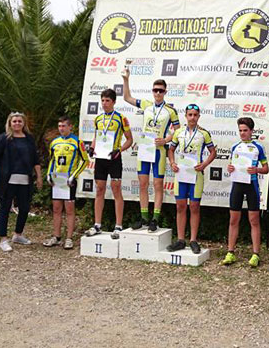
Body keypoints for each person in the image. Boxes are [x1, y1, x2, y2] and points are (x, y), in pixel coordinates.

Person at [122, 70, 180, 231]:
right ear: (152, 91)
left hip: (159, 150)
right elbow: (127, 98)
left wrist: (166, 140)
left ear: (165, 92)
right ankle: (144, 218)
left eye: (161, 90)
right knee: (142, 184)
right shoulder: (146, 104)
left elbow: (178, 131)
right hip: (144, 149)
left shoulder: (170, 111)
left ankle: (155, 219)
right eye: (155, 90)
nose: (158, 93)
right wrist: (126, 79)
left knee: (158, 184)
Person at [0, 112, 43, 252]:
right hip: (7, 180)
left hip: (25, 180)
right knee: (5, 208)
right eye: (14, 121)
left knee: (24, 208)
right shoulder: (3, 138)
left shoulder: (29, 139)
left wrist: (39, 177)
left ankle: (18, 234)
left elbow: (35, 160)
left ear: (24, 123)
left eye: (20, 121)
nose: (17, 123)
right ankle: (3, 239)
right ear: (10, 123)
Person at [166, 104, 216, 254]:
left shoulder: (204, 134)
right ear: (186, 116)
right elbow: (171, 150)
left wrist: (204, 164)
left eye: (195, 115)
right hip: (181, 174)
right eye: (190, 115)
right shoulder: (178, 132)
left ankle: (193, 240)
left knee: (194, 207)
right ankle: (181, 240)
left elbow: (213, 152)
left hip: (196, 174)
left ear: (199, 116)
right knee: (180, 206)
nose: (192, 117)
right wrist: (172, 163)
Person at [219, 117, 269, 267]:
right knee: (233, 219)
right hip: (237, 185)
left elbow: (266, 169)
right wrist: (230, 168)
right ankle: (230, 252)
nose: (242, 133)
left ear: (251, 131)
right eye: (240, 130)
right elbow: (232, 165)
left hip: (251, 185)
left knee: (254, 220)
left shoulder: (258, 147)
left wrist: (257, 169)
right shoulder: (235, 147)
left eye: (245, 130)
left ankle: (256, 254)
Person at [84, 89, 133, 239]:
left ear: (114, 102)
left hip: (114, 158)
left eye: (107, 101)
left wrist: (119, 150)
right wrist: (92, 148)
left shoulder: (121, 118)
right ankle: (97, 224)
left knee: (116, 189)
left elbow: (130, 140)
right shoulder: (98, 119)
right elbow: (96, 137)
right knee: (99, 190)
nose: (104, 103)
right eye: (103, 100)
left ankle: (118, 225)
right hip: (100, 158)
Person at [42, 116, 89, 249]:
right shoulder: (55, 142)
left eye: (64, 126)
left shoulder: (77, 142)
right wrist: (49, 174)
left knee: (69, 209)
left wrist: (74, 175)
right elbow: (52, 160)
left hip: (69, 179)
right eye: (59, 126)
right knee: (56, 209)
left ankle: (69, 238)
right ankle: (56, 236)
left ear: (70, 127)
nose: (61, 128)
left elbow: (85, 160)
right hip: (58, 178)